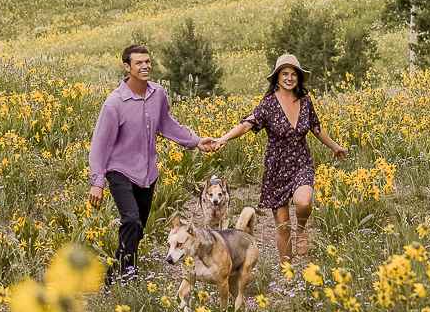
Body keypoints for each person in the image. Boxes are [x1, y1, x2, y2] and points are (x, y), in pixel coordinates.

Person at [89, 44, 215, 280]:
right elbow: (99, 146)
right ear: (127, 67)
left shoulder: (158, 94)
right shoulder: (114, 103)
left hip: (147, 173)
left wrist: (196, 141)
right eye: (139, 63)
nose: (145, 66)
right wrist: (97, 182)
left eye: (147, 61)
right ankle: (126, 277)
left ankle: (115, 275)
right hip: (119, 171)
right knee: (131, 220)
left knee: (136, 229)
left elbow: (167, 124)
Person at [214, 53, 346, 260]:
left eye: (294, 74)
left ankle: (301, 230)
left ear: (299, 78)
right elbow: (247, 123)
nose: (289, 78)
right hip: (276, 167)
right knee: (283, 227)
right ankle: (287, 273)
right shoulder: (268, 104)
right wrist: (224, 138)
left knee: (303, 203)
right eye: (285, 73)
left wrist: (335, 147)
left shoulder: (306, 101)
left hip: (301, 161)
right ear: (277, 77)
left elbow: (316, 128)